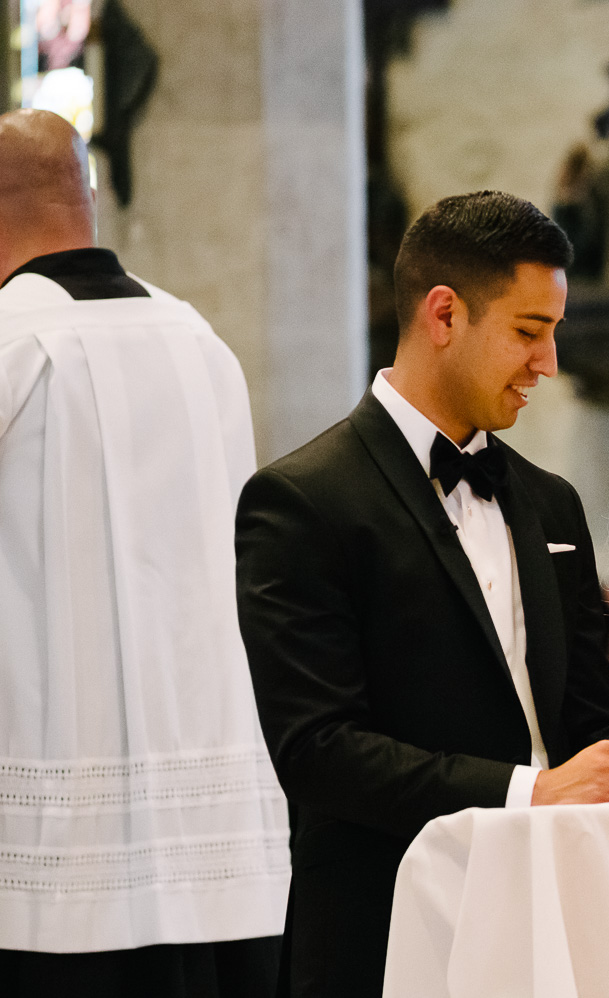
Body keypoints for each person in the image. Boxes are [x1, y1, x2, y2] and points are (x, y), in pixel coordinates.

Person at [235, 191, 609, 998]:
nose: (549, 364)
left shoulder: (551, 504)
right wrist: (527, 793)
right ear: (444, 315)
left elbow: (592, 721)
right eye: (529, 332)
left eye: (555, 334)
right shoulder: (300, 500)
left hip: (554, 922)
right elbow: (318, 751)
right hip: (390, 926)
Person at [0, 110, 288, 995]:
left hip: (50, 844)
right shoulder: (202, 342)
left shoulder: (10, 341)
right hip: (219, 847)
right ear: (87, 195)